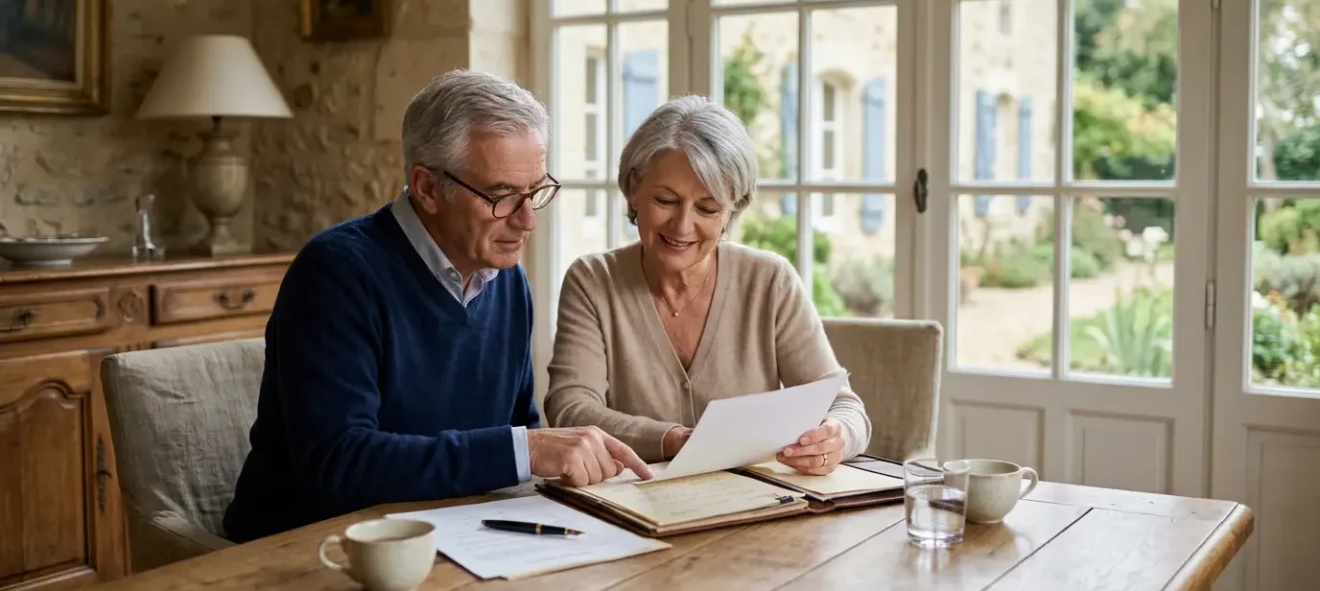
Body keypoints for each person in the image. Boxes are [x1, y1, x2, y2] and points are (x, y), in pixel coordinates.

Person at [223, 70, 651, 543]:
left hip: (457, 536)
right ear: (426, 188)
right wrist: (524, 450)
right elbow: (338, 466)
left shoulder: (508, 280)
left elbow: (517, 435)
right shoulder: (335, 273)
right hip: (310, 549)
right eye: (502, 195)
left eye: (535, 191)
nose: (528, 220)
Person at [544, 95, 872, 475]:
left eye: (707, 209)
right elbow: (570, 409)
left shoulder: (770, 281)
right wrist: (675, 440)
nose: (682, 226)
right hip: (632, 510)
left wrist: (836, 438)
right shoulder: (592, 281)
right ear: (634, 188)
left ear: (732, 209)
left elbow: (845, 408)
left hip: (755, 509)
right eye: (666, 200)